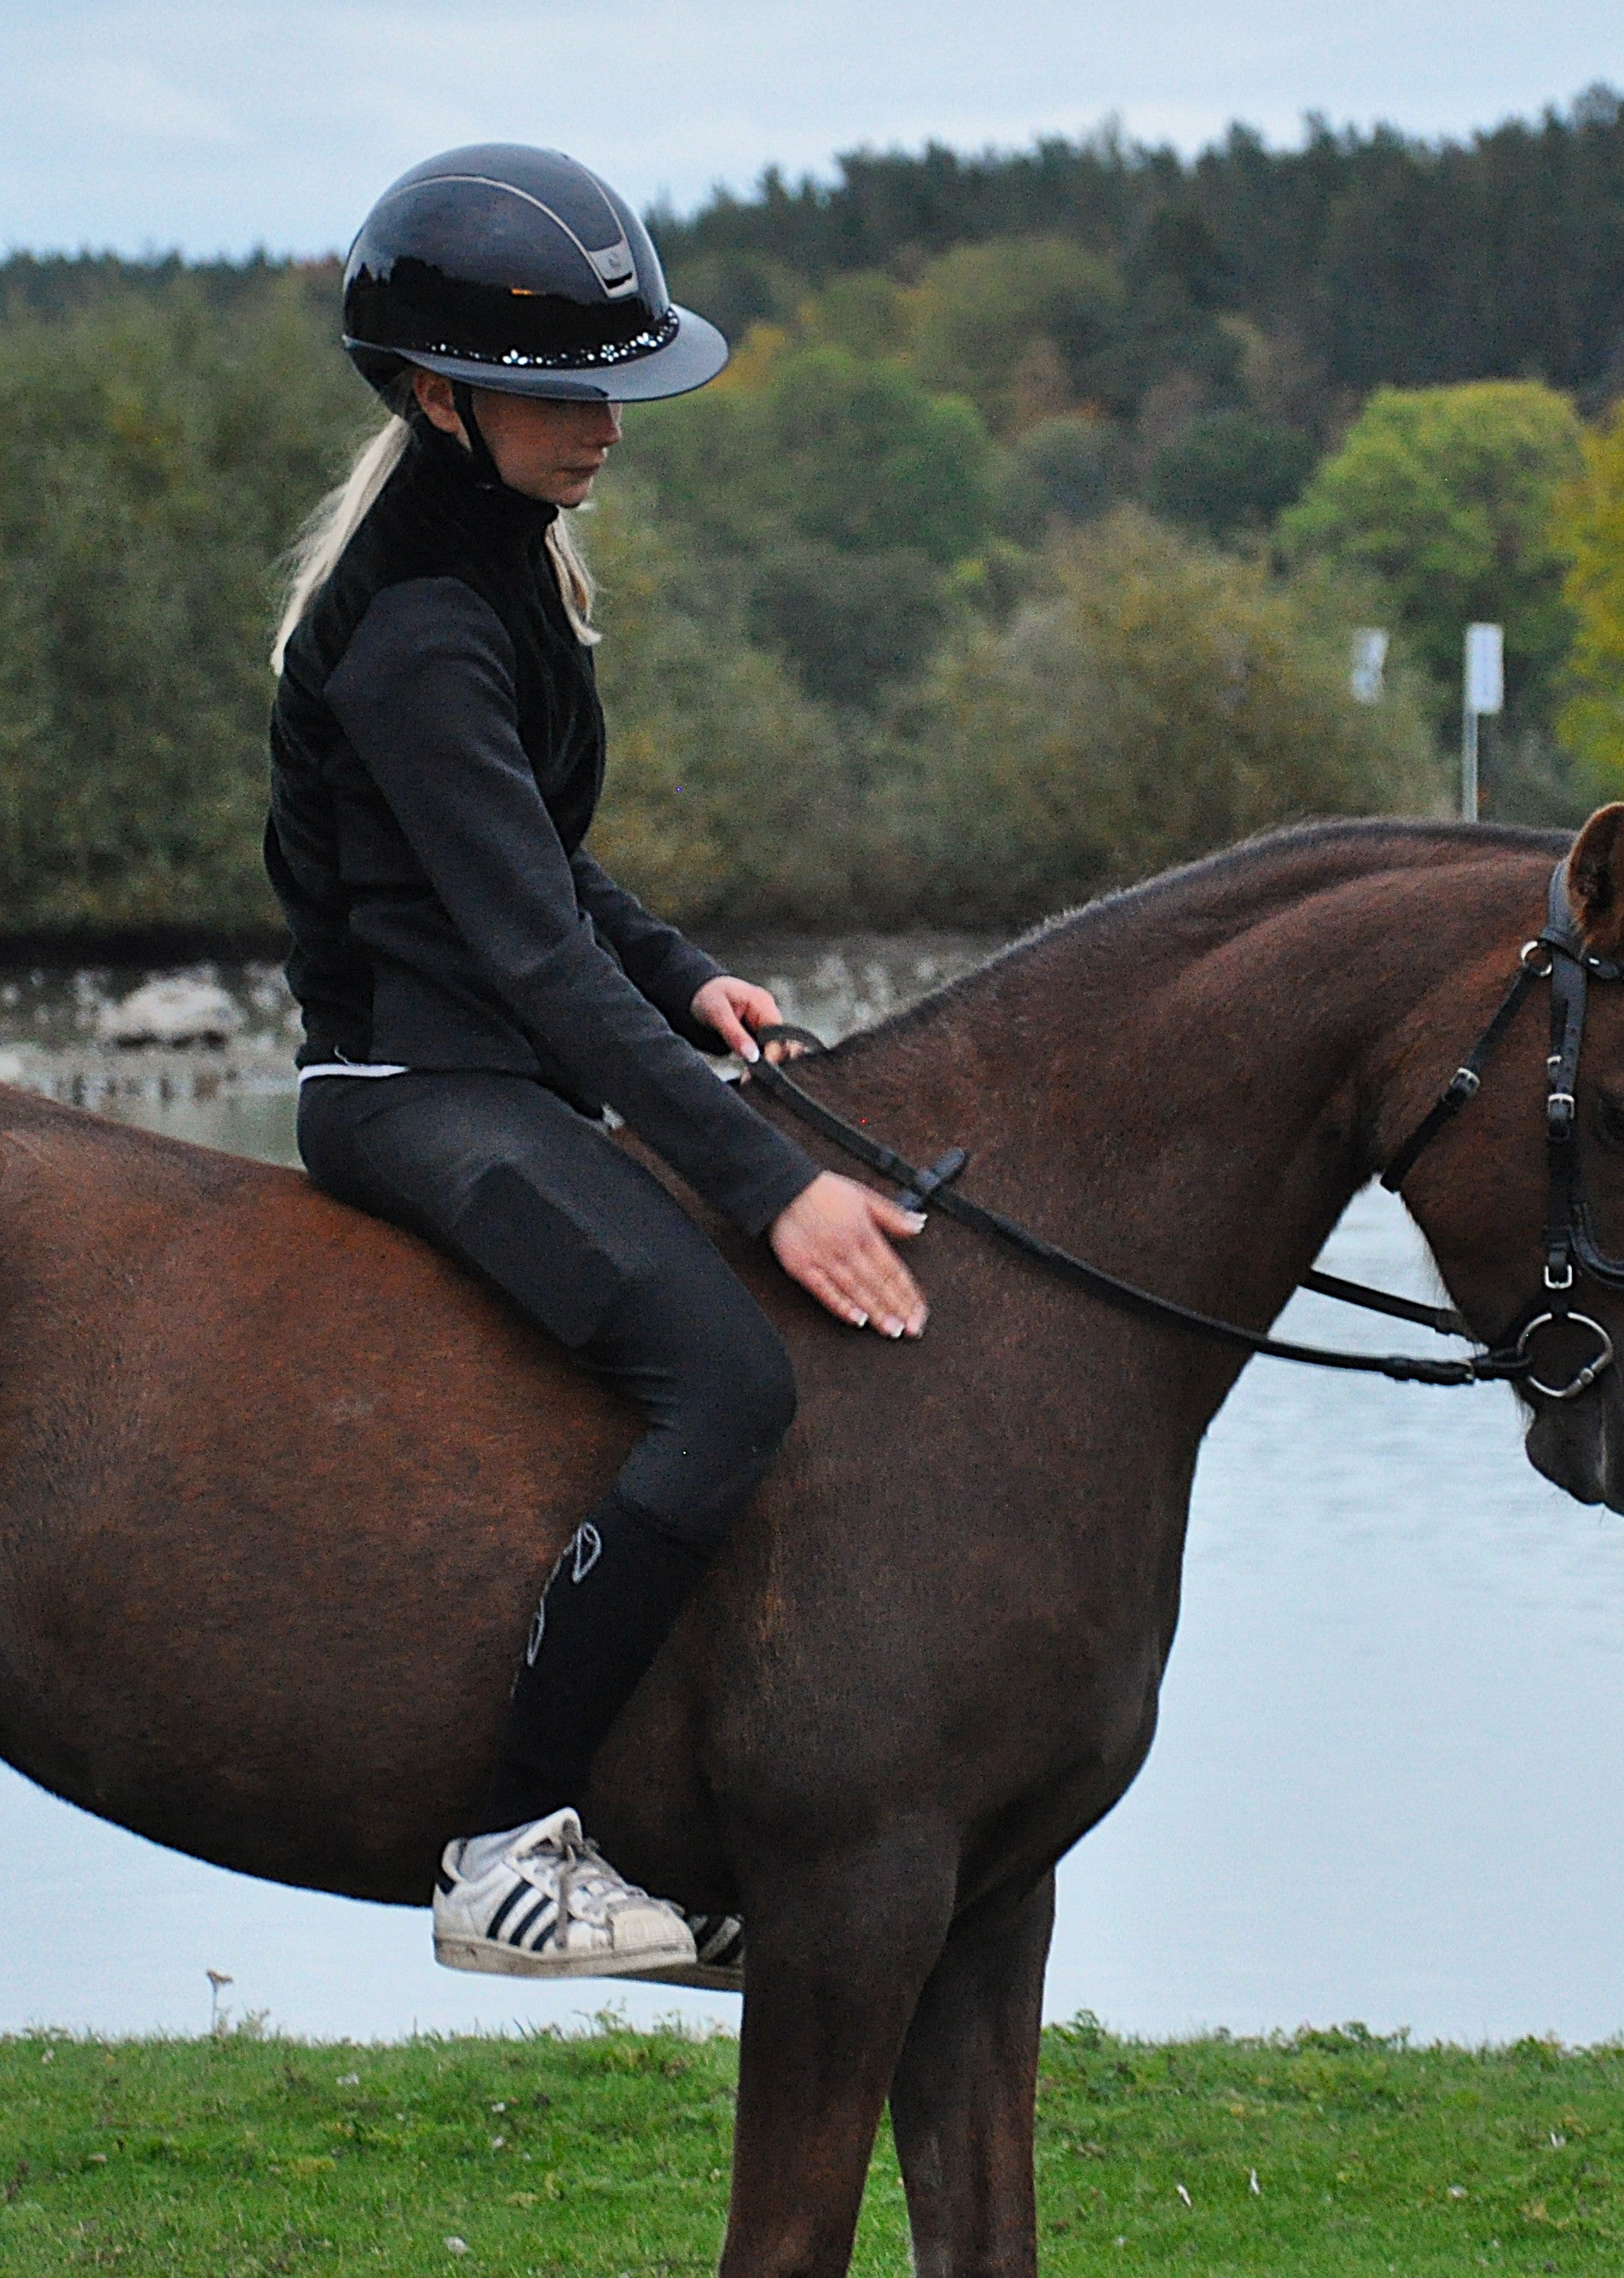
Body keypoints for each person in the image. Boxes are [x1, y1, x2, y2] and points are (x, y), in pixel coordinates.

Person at [266, 145, 929, 1979]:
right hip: (413, 1096)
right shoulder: (410, 627)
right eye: (566, 393)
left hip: (493, 1065)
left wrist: (694, 975)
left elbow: (548, 870)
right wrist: (775, 1187)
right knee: (723, 1381)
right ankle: (502, 1850)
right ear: (436, 395)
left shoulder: (490, 562)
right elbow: (529, 957)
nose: (608, 425)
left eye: (616, 385)